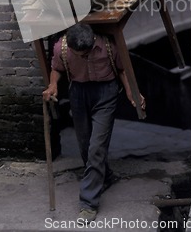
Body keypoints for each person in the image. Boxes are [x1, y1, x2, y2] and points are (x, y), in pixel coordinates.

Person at [43, 23, 145, 223]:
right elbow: (57, 68)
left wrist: (131, 91)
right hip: (78, 93)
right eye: (77, 54)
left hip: (105, 93)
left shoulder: (108, 45)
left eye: (86, 53)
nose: (82, 57)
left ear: (92, 43)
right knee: (85, 144)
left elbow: (123, 70)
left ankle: (88, 203)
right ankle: (105, 177)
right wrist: (53, 84)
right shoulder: (61, 47)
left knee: (97, 146)